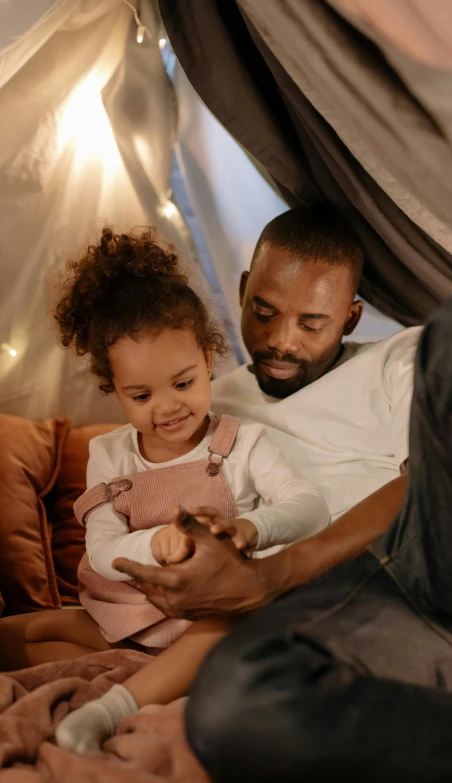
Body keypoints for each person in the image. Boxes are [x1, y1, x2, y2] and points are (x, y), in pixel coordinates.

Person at [112, 213, 452, 779]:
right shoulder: (199, 406)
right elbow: (153, 502)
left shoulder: (398, 361)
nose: (282, 340)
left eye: (312, 322)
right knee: (232, 695)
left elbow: (438, 477)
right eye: (264, 312)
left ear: (351, 316)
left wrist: (273, 575)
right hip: (381, 614)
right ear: (241, 291)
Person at [39, 225, 328, 754]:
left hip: (209, 614)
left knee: (225, 625)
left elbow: (311, 507)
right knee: (32, 632)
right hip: (126, 612)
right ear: (113, 388)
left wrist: (249, 526)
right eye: (141, 394)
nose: (168, 406)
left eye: (184, 382)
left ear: (209, 358)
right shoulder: (109, 455)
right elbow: (102, 552)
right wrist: (154, 545)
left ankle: (111, 709)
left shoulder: (239, 444)